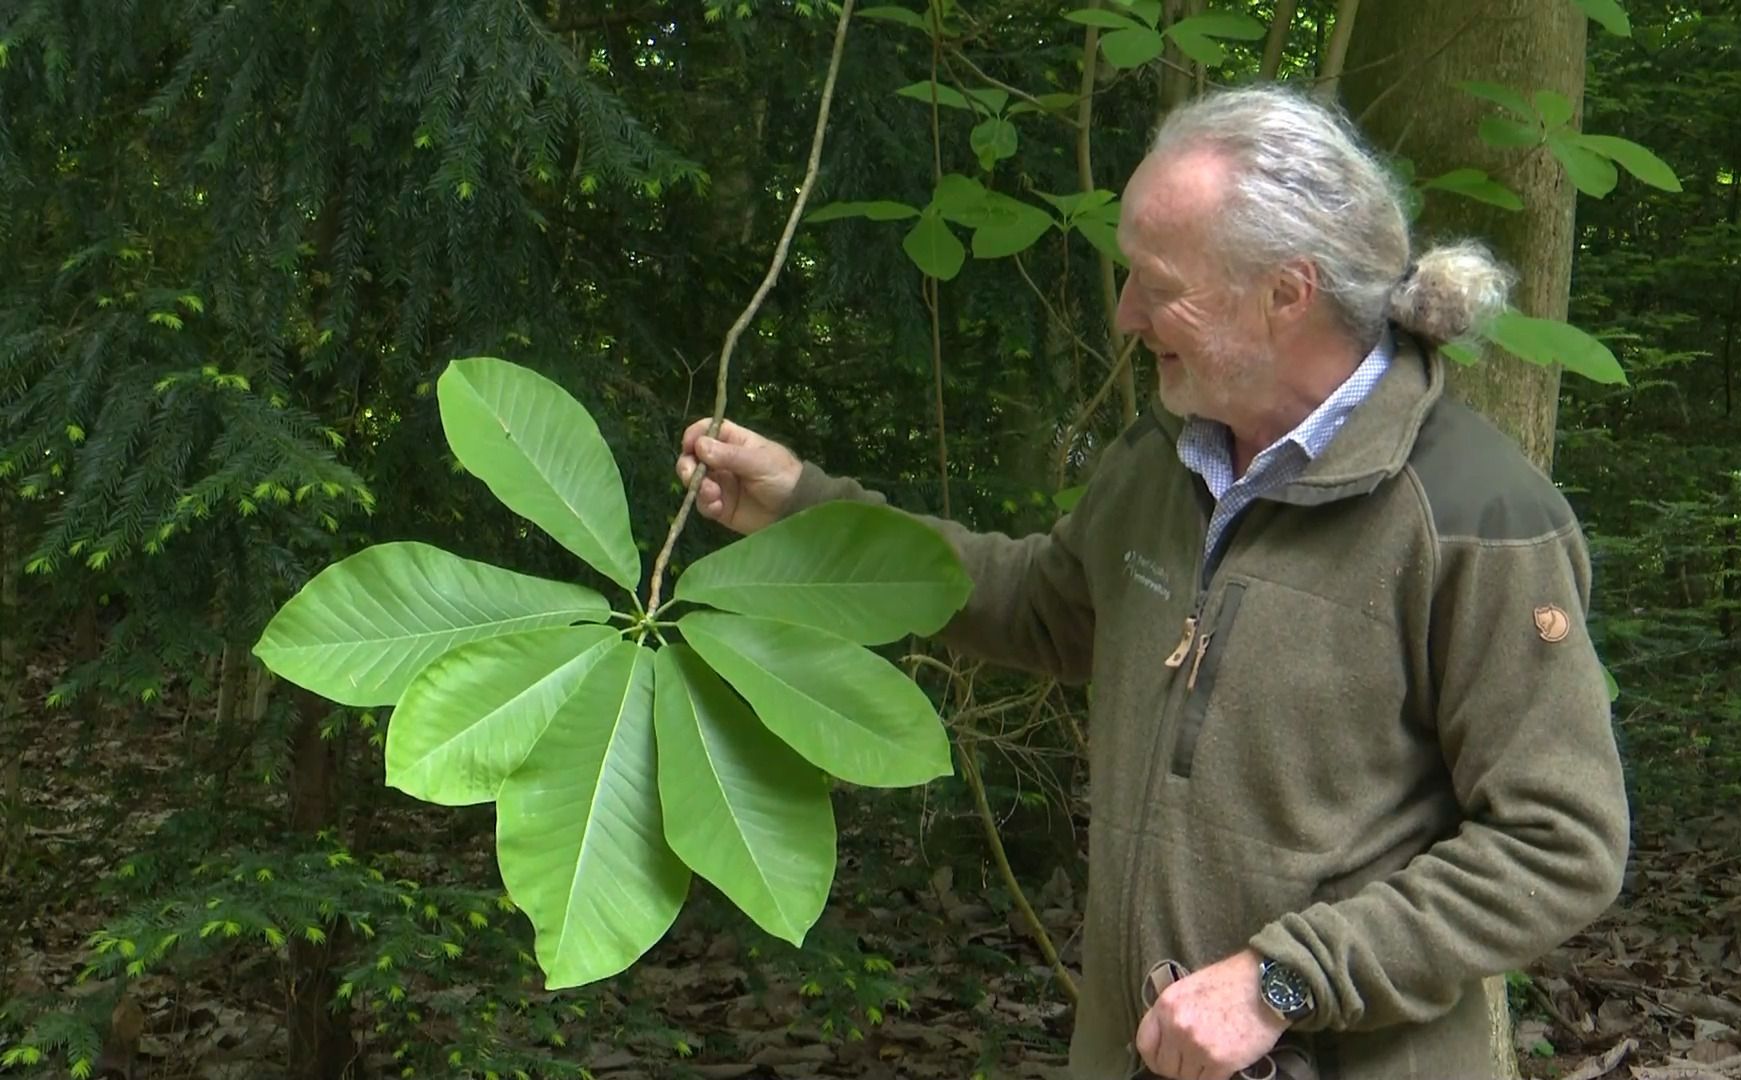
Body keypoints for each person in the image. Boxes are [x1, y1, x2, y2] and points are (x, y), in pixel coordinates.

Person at [676, 84, 1630, 1080]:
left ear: (1286, 292)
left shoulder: (1478, 515)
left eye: (1156, 283)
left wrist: (1283, 979)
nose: (1128, 315)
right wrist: (804, 513)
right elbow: (1040, 604)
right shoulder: (1162, 457)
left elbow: (1560, 843)